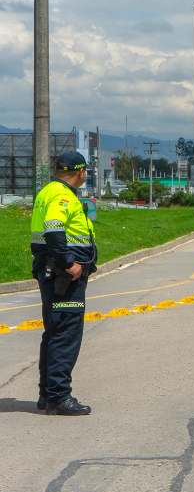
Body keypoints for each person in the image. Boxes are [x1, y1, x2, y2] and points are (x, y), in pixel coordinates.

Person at [30, 150, 97, 416]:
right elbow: (55, 230)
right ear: (81, 172)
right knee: (65, 334)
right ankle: (59, 397)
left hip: (52, 269)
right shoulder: (61, 195)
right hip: (63, 274)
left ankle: (48, 395)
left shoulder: (48, 191)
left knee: (55, 332)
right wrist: (70, 264)